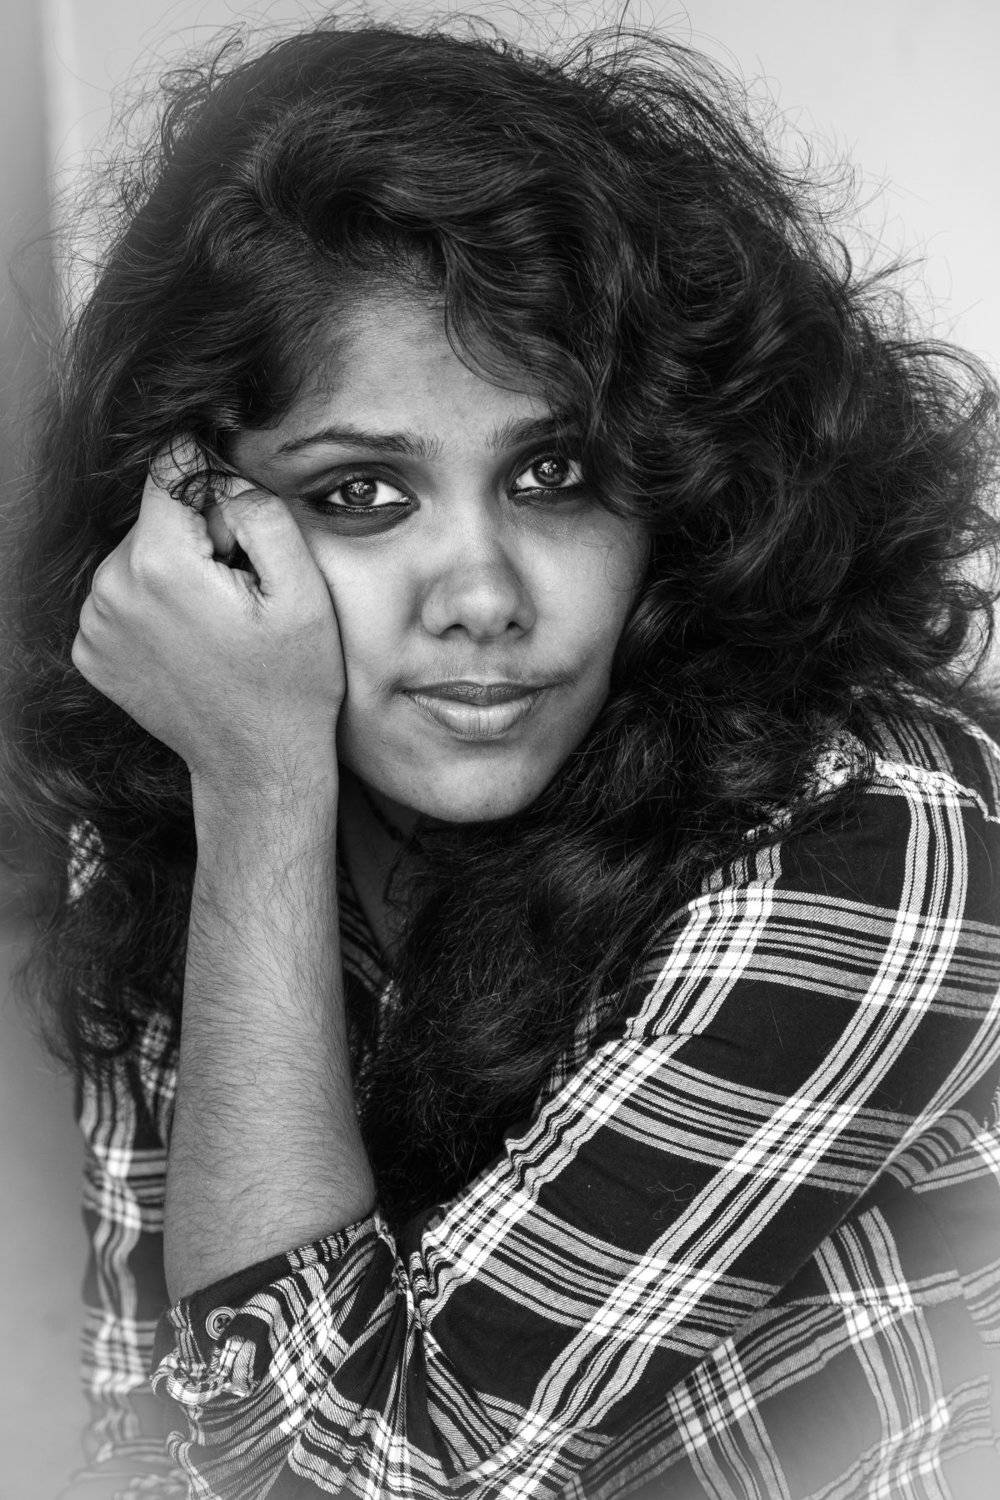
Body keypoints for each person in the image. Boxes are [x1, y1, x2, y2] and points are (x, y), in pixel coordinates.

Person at [3, 13, 1000, 1499]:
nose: (481, 595)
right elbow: (153, 1442)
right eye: (360, 492)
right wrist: (254, 801)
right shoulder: (185, 791)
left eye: (556, 472)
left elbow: (350, 1484)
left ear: (682, 485)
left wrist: (261, 800)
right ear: (193, 525)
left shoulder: (876, 837)